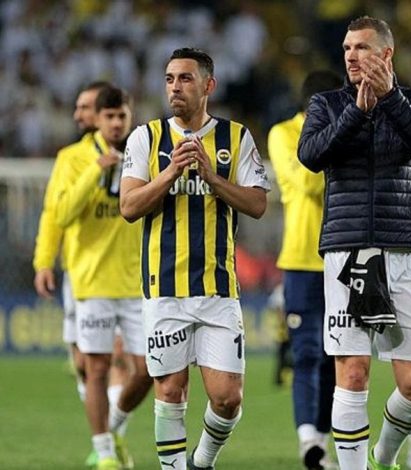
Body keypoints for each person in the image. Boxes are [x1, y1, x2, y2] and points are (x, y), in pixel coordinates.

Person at [297, 16, 411, 470]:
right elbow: (311, 155)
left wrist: (390, 98)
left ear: (386, 54)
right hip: (347, 250)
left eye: (361, 47)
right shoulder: (327, 103)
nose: (351, 56)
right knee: (353, 371)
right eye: (346, 48)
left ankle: (383, 455)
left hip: (404, 247)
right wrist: (356, 113)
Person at [120, 47, 270, 470]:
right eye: (169, 79)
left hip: (218, 289)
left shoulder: (236, 138)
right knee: (170, 390)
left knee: (227, 399)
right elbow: (128, 207)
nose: (175, 87)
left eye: (185, 78)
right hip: (164, 289)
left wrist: (211, 178)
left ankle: (202, 461)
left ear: (208, 85)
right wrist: (170, 174)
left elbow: (257, 204)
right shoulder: (146, 138)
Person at [55, 85, 153, 470]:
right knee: (96, 368)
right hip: (93, 281)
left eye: (121, 116)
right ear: (96, 119)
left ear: (130, 116)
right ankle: (105, 451)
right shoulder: (72, 159)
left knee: (149, 369)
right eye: (108, 116)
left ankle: (113, 426)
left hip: (136, 283)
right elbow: (62, 214)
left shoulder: (143, 154)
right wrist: (95, 171)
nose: (115, 123)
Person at [267, 69, 343, 470]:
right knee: (307, 353)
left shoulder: (344, 131)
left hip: (344, 258)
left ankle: (322, 442)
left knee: (337, 355)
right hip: (301, 260)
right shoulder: (283, 135)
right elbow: (309, 184)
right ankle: (307, 439)